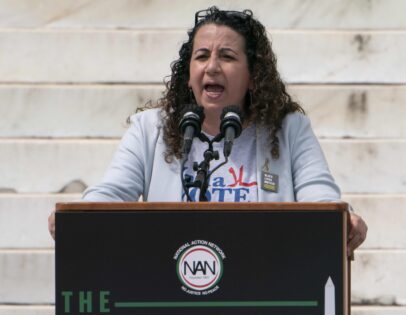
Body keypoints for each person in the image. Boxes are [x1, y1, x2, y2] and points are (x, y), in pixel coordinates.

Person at [48, 6, 367, 255]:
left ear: (254, 76)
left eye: (227, 56)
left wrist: (343, 219)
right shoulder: (151, 129)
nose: (211, 67)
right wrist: (76, 216)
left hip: (263, 281)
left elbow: (320, 198)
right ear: (189, 75)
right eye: (202, 56)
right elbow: (112, 192)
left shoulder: (287, 128)